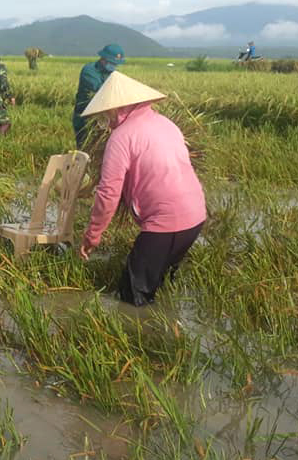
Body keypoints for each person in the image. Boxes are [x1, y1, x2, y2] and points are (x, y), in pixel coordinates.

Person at [78, 71, 206, 306]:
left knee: (132, 296)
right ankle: (167, 335)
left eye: (106, 113)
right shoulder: (166, 123)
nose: (106, 119)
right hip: (196, 216)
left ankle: (141, 338)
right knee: (161, 285)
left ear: (117, 108)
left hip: (166, 223)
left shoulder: (121, 137)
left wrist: (92, 236)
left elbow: (108, 193)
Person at [72, 44, 125, 148]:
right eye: (112, 63)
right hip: (86, 118)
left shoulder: (112, 73)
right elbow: (102, 91)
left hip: (104, 118)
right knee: (85, 147)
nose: (114, 66)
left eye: (115, 64)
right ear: (103, 58)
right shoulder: (89, 71)